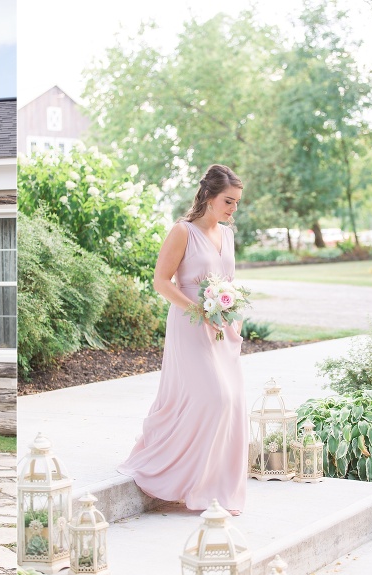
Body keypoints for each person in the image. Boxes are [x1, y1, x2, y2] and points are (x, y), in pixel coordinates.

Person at [116, 163, 247, 515]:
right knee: (214, 397)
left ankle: (215, 485)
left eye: (236, 203)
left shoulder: (228, 234)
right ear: (209, 196)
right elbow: (161, 282)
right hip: (190, 324)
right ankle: (179, 474)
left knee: (233, 402)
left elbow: (228, 281)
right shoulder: (182, 232)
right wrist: (198, 310)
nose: (234, 209)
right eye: (229, 201)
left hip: (221, 326)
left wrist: (230, 310)